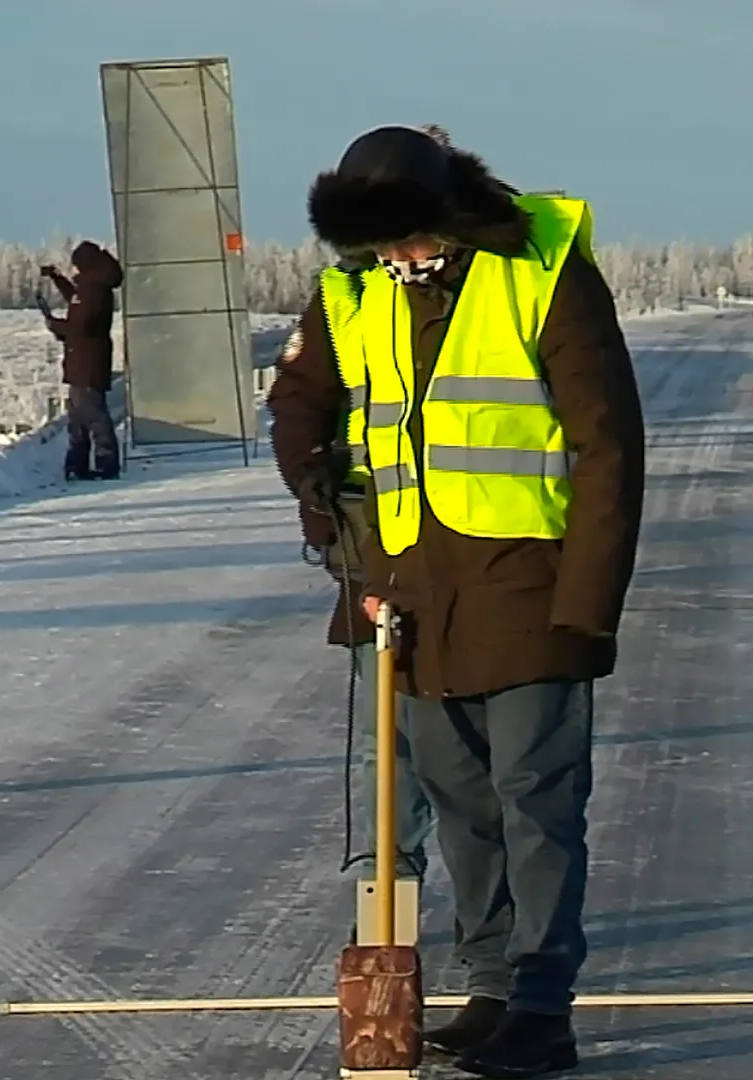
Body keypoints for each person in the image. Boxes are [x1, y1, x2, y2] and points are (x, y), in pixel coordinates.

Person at [305, 124, 646, 1079]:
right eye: (381, 246)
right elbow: (336, 422)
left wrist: (589, 607)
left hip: (529, 590)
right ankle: (493, 986)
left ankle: (544, 1006)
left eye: (414, 237)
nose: (403, 259)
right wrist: (346, 539)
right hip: (417, 595)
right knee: (460, 806)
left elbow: (608, 447)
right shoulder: (361, 293)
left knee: (537, 800)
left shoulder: (539, 272)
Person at [265, 254, 436, 897]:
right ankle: (388, 894)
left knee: (477, 745)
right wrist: (311, 474)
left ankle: (497, 919)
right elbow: (298, 397)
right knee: (383, 733)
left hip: (485, 545)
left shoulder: (495, 281)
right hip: (372, 538)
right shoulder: (346, 293)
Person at [39, 240, 124, 479]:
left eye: (76, 266)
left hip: (87, 363)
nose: (74, 270)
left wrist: (57, 326)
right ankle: (77, 466)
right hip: (83, 363)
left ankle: (106, 465)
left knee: (94, 416)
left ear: (85, 266)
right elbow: (75, 301)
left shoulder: (95, 291)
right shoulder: (91, 287)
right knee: (77, 419)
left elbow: (83, 325)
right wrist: (57, 278)